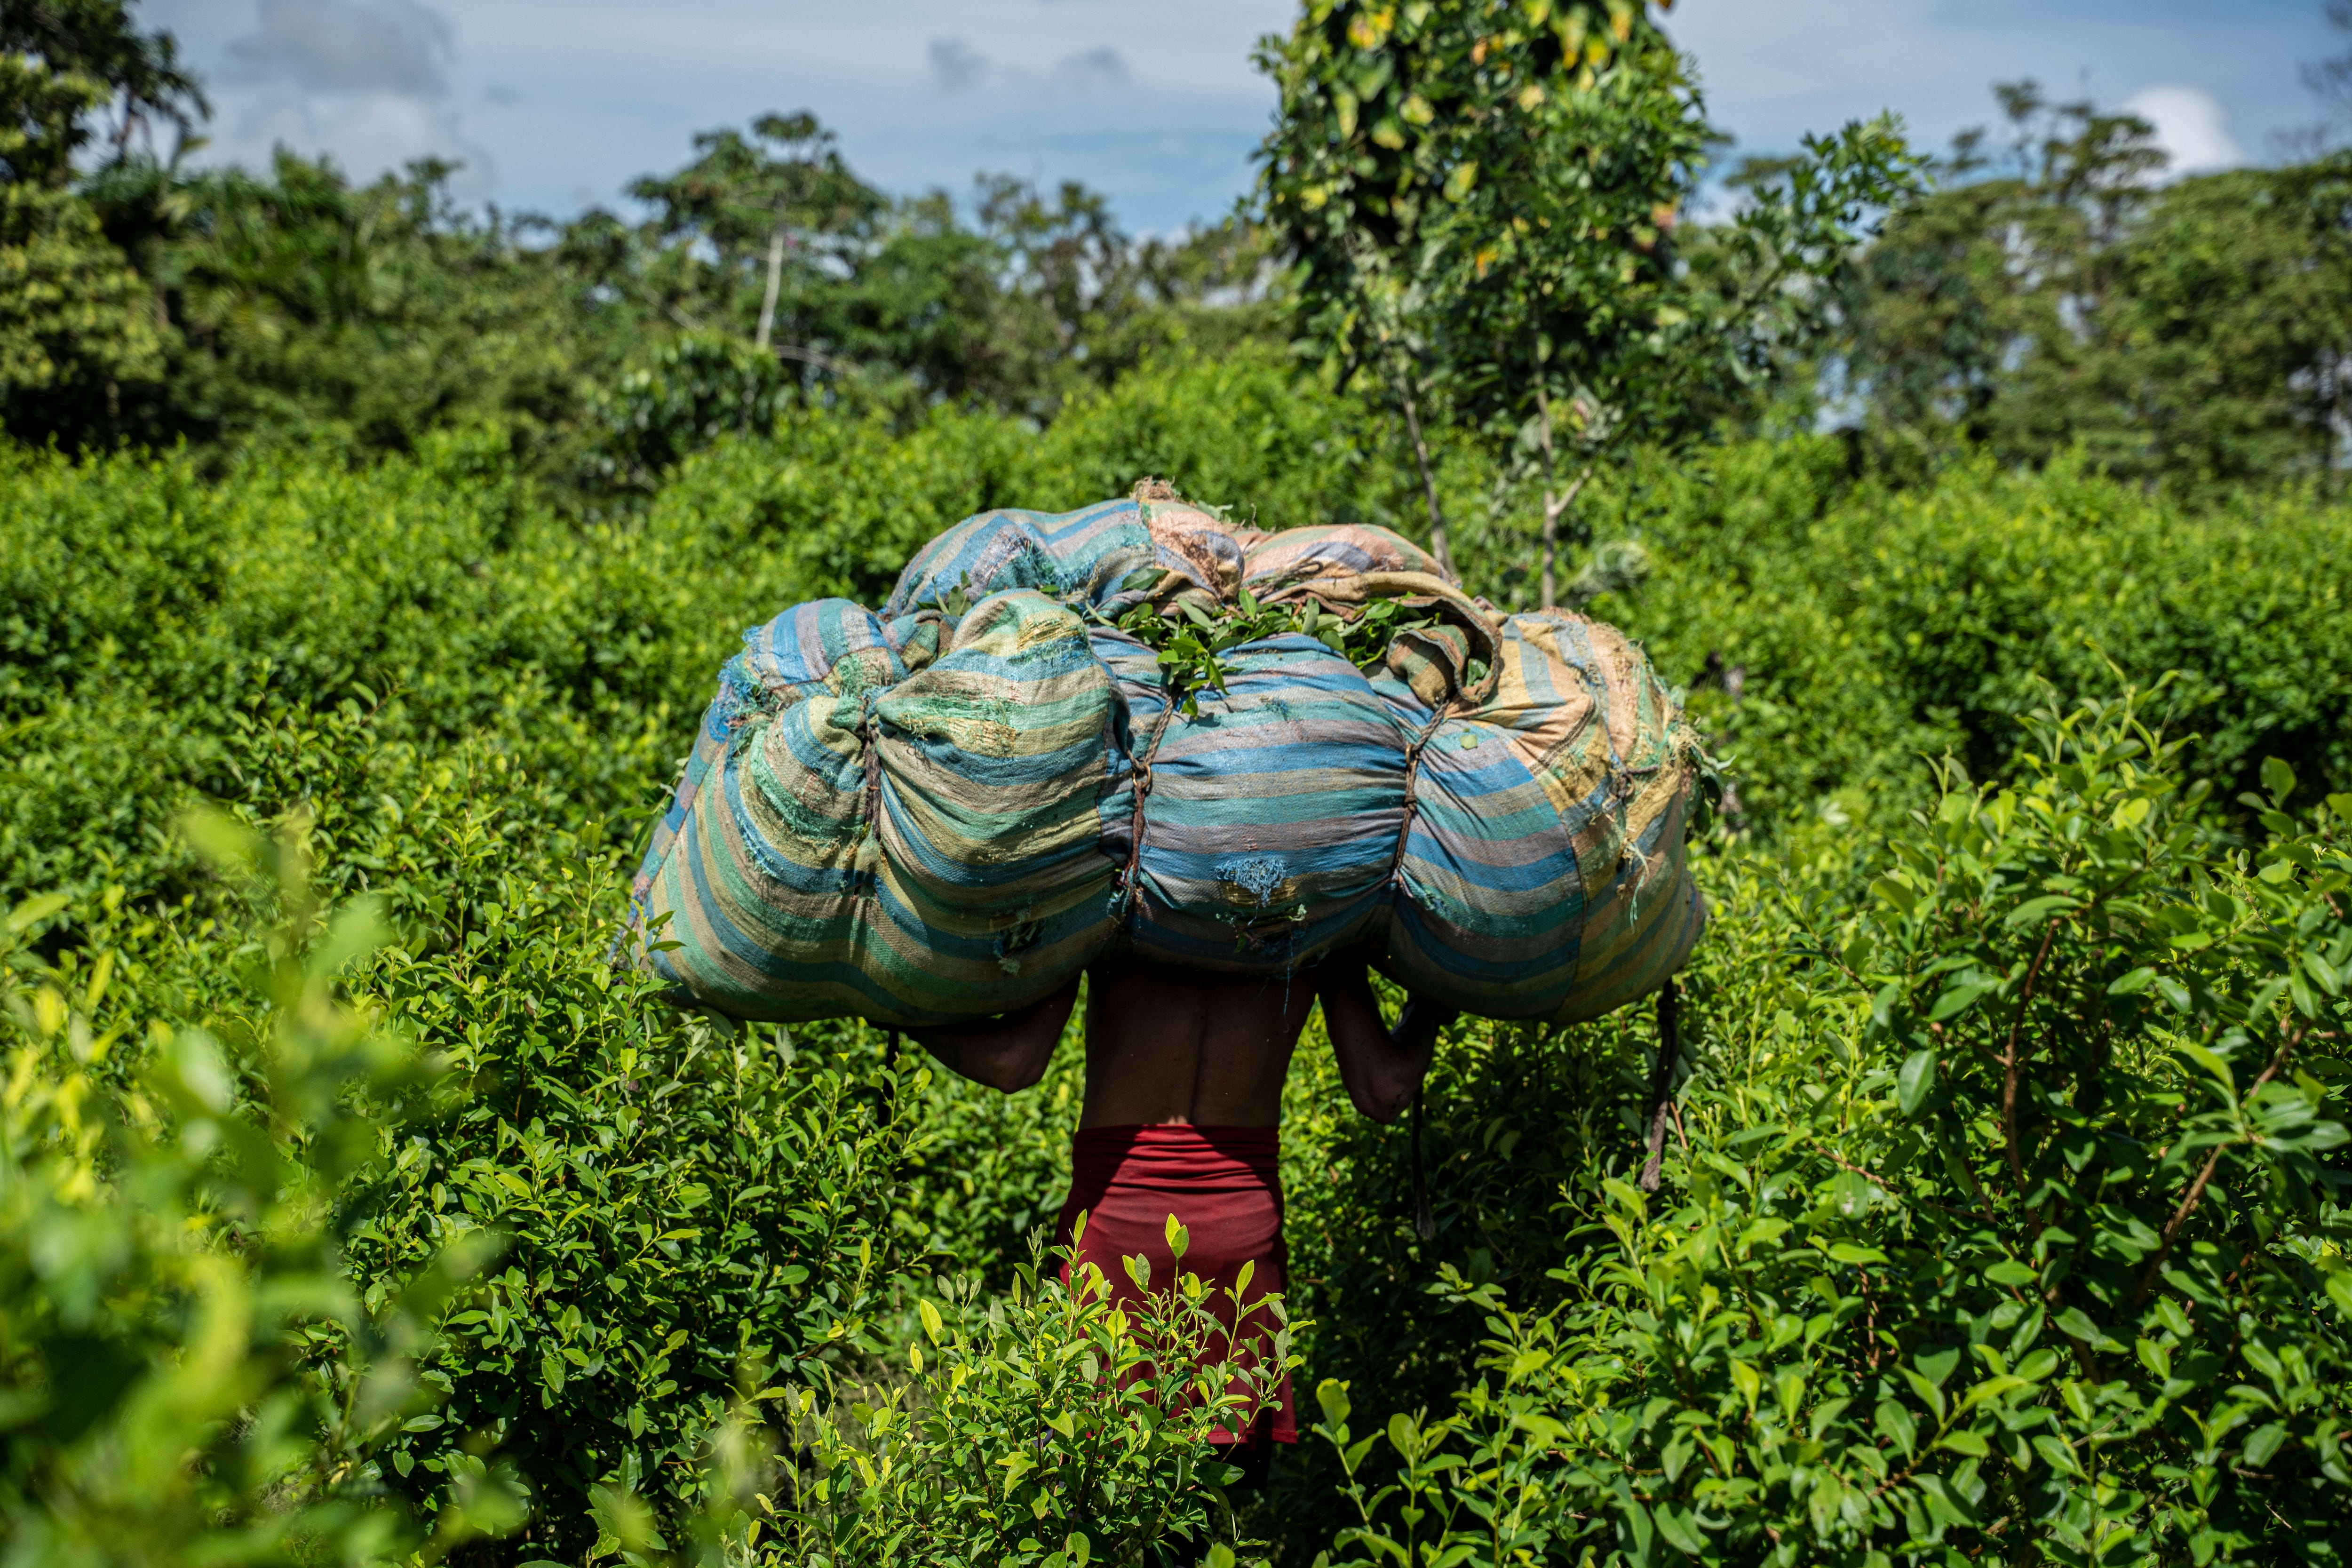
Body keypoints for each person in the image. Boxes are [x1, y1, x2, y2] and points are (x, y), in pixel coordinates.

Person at [906, 945, 1454, 1485]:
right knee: (1194, 1512)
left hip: (1112, 1248)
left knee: (1075, 1497)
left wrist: (900, 1015)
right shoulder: (1316, 914)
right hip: (1240, 1254)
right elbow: (1385, 1090)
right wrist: (1426, 1009)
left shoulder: (1114, 897)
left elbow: (1011, 1062)